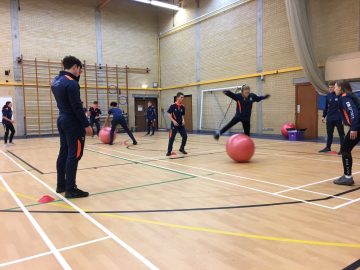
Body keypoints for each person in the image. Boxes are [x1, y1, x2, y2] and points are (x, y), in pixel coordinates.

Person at [52, 56, 93, 198]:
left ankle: (61, 185)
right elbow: (76, 106)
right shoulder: (72, 84)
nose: (80, 73)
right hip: (73, 122)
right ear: (75, 67)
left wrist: (77, 76)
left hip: (62, 119)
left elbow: (69, 92)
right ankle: (71, 188)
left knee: (64, 152)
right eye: (79, 70)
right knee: (75, 154)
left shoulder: (56, 81)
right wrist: (86, 125)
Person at [333, 80, 359, 186]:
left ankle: (348, 178)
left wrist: (353, 128)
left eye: (335, 87)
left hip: (358, 127)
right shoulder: (347, 96)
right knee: (346, 149)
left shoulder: (344, 97)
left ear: (340, 87)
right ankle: (347, 176)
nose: (334, 89)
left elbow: (353, 112)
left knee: (345, 149)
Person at [319, 81, 345, 154]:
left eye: (332, 87)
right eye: (329, 87)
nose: (330, 89)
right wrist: (323, 116)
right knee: (329, 133)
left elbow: (344, 108)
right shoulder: (328, 96)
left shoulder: (341, 95)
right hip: (330, 118)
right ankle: (328, 147)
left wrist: (344, 118)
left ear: (335, 87)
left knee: (341, 134)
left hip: (338, 118)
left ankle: (343, 149)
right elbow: (326, 107)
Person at [166, 92, 187, 156]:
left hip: (181, 125)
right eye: (181, 97)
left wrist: (183, 120)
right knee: (171, 137)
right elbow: (168, 114)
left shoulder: (182, 106)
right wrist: (173, 121)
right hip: (174, 125)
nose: (182, 99)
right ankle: (169, 151)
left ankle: (182, 148)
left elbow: (183, 115)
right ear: (177, 98)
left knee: (185, 136)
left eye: (183, 97)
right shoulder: (173, 106)